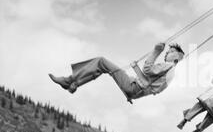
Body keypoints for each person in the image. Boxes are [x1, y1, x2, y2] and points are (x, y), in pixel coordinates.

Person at [49, 42, 185, 101]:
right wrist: (136, 69)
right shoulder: (171, 74)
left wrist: (156, 51)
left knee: (101, 61)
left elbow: (148, 69)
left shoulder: (168, 66)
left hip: (133, 87)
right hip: (135, 89)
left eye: (171, 51)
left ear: (178, 57)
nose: (167, 53)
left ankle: (69, 81)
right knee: (101, 67)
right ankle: (74, 84)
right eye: (167, 51)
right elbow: (149, 84)